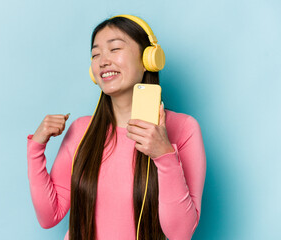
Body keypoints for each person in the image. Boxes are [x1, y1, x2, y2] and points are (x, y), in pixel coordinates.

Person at [27, 15, 206, 240]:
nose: (103, 60)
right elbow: (49, 217)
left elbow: (180, 233)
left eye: (114, 49)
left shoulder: (184, 128)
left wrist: (164, 155)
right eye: (95, 54)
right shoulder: (81, 130)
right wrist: (36, 147)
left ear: (148, 59)